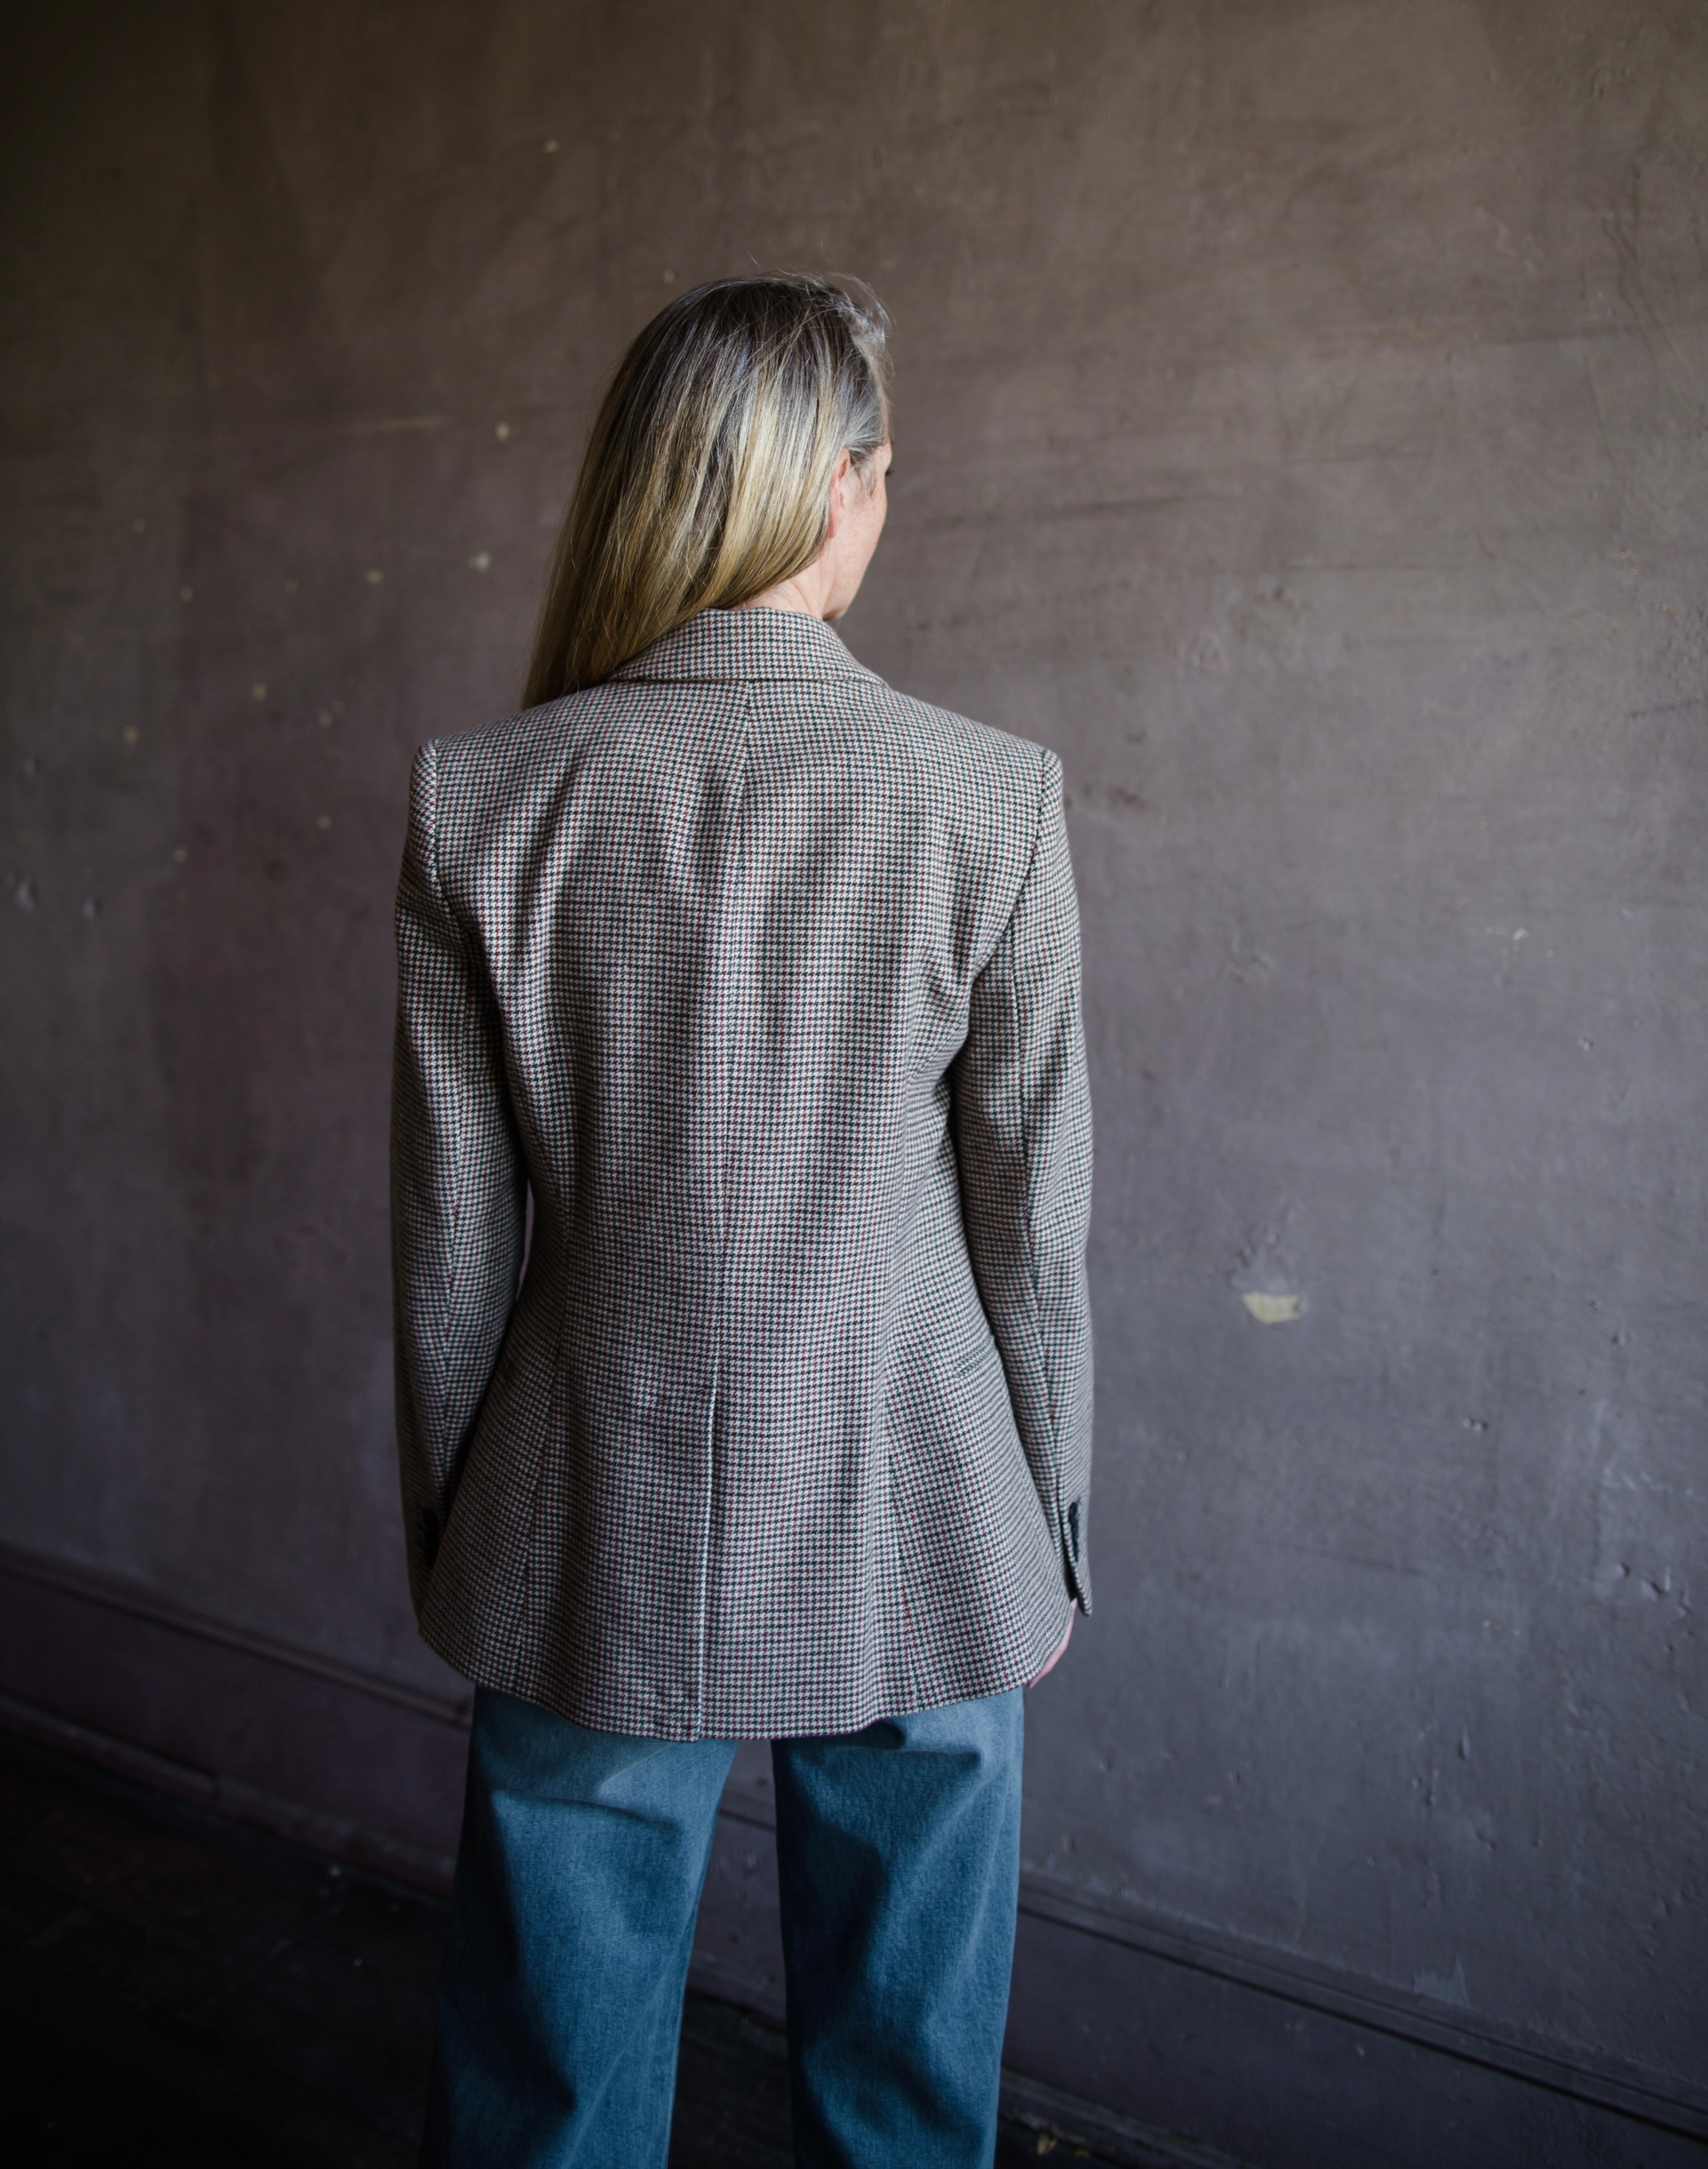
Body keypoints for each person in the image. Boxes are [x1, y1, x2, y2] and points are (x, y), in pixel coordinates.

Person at [391, 274, 1093, 2168]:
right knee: (905, 2094)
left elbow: (451, 1240)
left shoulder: (485, 799)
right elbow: (1030, 1224)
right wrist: (1053, 1516)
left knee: (548, 2087)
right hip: (925, 1493)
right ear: (840, 488)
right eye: (887, 475)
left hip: (585, 1500)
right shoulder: (990, 800)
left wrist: (461, 1526)